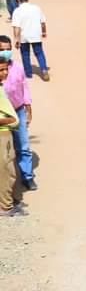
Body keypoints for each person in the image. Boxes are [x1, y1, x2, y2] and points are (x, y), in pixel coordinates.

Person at [0, 36, 35, 190]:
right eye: (2, 49)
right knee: (5, 151)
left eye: (8, 49)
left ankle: (27, 176)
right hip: (3, 116)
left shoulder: (17, 67)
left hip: (18, 111)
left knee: (23, 145)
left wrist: (28, 107)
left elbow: (24, 86)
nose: (6, 52)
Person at [11, 0, 50, 82]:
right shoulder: (36, 8)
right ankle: (44, 70)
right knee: (39, 53)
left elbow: (16, 27)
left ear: (18, 0)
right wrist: (44, 32)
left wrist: (16, 39)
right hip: (36, 35)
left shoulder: (17, 11)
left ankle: (28, 74)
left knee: (25, 54)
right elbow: (43, 22)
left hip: (24, 36)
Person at [0, 56, 21, 217]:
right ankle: (5, 207)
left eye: (6, 69)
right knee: (6, 170)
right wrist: (11, 120)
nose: (5, 72)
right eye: (1, 70)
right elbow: (12, 120)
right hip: (3, 135)